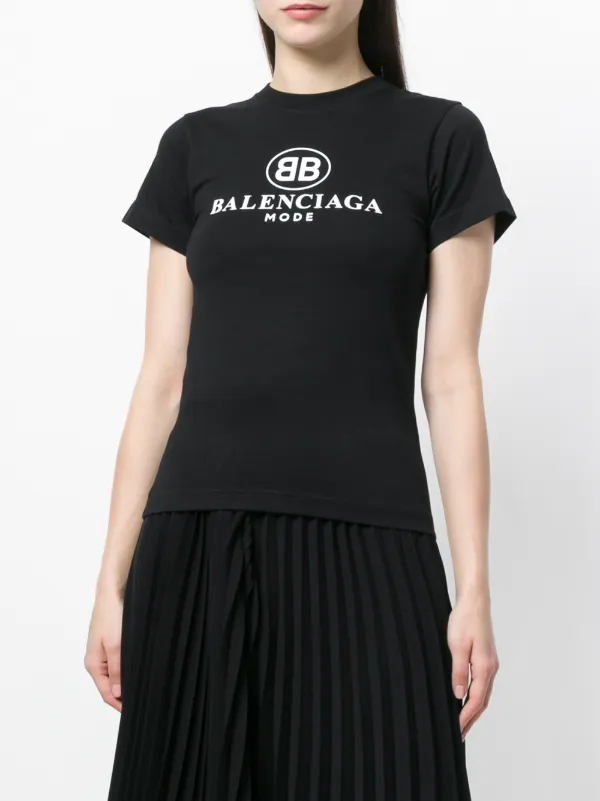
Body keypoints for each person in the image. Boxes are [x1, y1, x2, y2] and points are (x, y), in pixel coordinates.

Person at [85, 1, 517, 799]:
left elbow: (452, 375)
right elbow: (161, 377)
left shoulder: (441, 137)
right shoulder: (194, 145)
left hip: (371, 538)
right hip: (198, 538)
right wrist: (111, 584)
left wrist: (474, 591)